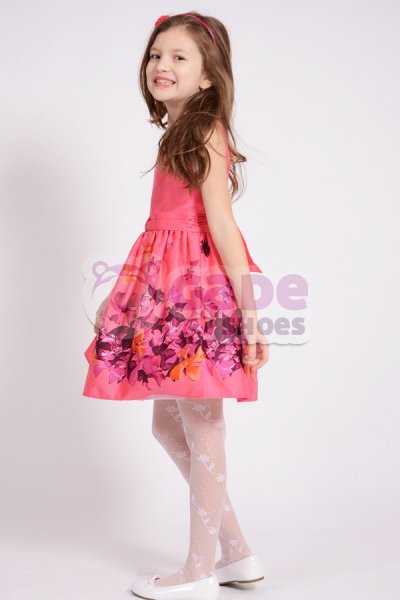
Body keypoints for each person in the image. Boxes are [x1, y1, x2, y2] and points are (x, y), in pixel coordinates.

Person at [82, 11, 269, 600]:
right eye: (156, 54)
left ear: (209, 75)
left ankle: (199, 568)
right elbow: (160, 228)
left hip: (195, 292)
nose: (161, 65)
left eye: (179, 56)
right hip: (164, 285)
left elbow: (222, 224)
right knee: (168, 422)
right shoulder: (179, 131)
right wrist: (123, 295)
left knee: (202, 422)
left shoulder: (205, 130)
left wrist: (250, 313)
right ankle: (236, 552)